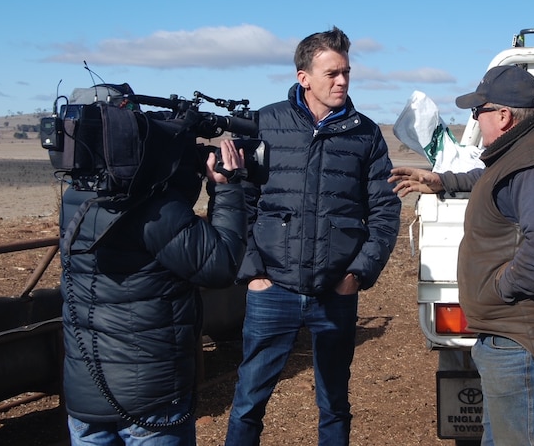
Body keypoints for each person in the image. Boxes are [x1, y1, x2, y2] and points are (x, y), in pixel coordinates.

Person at [389, 65, 534, 446]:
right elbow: (496, 183)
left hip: (526, 343)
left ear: (503, 115)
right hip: (515, 338)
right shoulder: (522, 153)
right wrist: (444, 181)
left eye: (477, 112)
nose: (474, 120)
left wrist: (500, 288)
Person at [224, 26, 401, 446]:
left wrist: (357, 274)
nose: (341, 81)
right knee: (249, 400)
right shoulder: (264, 124)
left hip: (335, 290)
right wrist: (253, 272)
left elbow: (385, 209)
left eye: (346, 72)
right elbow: (240, 203)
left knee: (334, 403)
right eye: (331, 73)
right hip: (273, 289)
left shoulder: (365, 133)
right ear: (303, 77)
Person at [60, 137, 248, 446]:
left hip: (85, 395)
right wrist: (227, 188)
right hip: (151, 399)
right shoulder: (158, 209)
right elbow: (221, 265)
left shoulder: (76, 199)